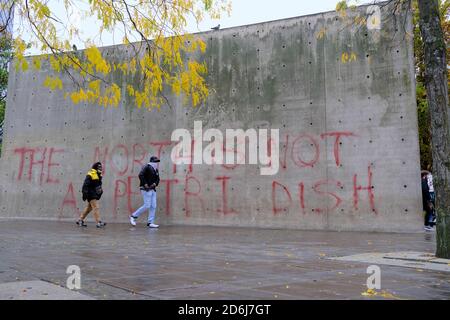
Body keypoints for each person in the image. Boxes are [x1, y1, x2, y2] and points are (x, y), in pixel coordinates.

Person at [129, 156, 160, 228]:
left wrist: (155, 184)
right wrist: (145, 184)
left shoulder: (156, 170)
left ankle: (150, 222)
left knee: (153, 206)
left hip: (153, 189)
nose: (156, 163)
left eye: (157, 162)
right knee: (147, 205)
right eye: (155, 161)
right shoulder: (147, 166)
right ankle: (133, 216)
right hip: (145, 189)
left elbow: (158, 179)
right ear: (151, 161)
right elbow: (140, 175)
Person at [77, 162, 107, 228]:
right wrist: (85, 193)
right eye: (99, 167)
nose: (100, 168)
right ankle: (99, 222)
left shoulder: (98, 175)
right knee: (96, 207)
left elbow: (98, 186)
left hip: (94, 193)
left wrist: (100, 192)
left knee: (89, 208)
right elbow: (85, 185)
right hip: (90, 194)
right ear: (96, 167)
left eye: (101, 167)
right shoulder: (91, 174)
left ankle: (80, 220)